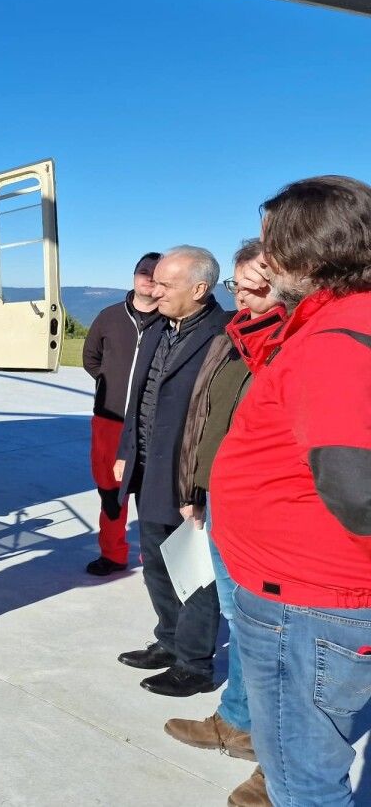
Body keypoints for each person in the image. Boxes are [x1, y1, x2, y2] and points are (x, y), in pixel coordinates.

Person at [211, 176, 371, 806]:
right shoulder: (339, 320)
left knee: (303, 779)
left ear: (305, 254)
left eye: (273, 246)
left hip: (304, 605)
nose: (265, 260)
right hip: (311, 594)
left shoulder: (336, 343)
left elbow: (357, 488)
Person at [163, 240, 286, 806]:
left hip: (268, 516)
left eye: (256, 281)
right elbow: (204, 416)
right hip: (221, 503)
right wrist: (195, 488)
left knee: (271, 636)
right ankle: (236, 720)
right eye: (239, 284)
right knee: (242, 624)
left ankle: (279, 760)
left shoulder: (293, 343)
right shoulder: (237, 336)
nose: (245, 293)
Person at [114, 246, 228, 696]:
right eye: (154, 281)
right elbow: (137, 398)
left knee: (194, 574)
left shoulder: (224, 336)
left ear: (199, 289)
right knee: (157, 565)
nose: (154, 290)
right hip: (147, 470)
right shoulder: (161, 327)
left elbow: (220, 419)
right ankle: (168, 641)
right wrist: (127, 449)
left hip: (187, 480)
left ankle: (194, 666)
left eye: (165, 284)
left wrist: (199, 486)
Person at [81, 251, 162, 575]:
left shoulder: (170, 322)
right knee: (111, 492)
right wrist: (111, 384)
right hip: (109, 419)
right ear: (134, 276)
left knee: (152, 494)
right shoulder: (109, 317)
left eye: (156, 274)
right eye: (144, 271)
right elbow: (91, 358)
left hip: (151, 423)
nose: (149, 277)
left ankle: (154, 560)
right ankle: (113, 554)